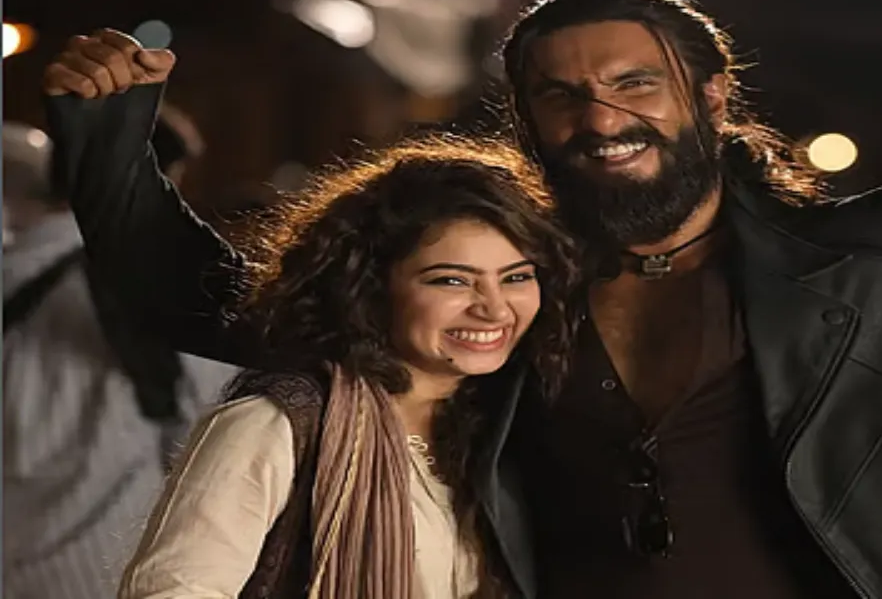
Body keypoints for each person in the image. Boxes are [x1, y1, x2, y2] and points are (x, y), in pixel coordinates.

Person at [43, 0, 882, 598]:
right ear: (527, 121)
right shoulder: (508, 279)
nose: (601, 116)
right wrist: (110, 136)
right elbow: (202, 302)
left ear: (711, 95)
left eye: (635, 84)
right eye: (563, 95)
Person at [115, 135, 578, 598]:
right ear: (370, 286)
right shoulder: (278, 423)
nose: (494, 309)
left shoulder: (493, 433)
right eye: (452, 281)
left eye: (516, 277)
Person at [2, 105, 235, 599]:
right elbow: (214, 425)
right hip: (106, 573)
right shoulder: (171, 293)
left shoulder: (14, 274)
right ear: (163, 184)